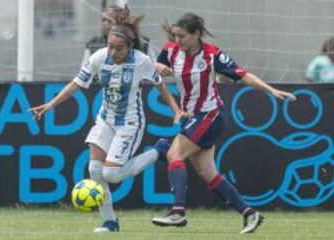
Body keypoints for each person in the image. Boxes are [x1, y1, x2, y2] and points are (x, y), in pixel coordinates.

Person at [29, 6, 181, 233]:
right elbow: (75, 84)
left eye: (119, 48)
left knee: (111, 174)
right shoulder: (99, 57)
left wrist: (176, 111)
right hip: (105, 120)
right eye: (110, 46)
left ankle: (157, 152)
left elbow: (160, 85)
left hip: (130, 123)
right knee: (95, 171)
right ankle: (110, 222)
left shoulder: (140, 61)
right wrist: (51, 105)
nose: (112, 52)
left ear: (129, 47)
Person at [151, 13, 296, 234]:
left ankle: (177, 212)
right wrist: (157, 66)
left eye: (182, 36)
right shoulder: (171, 50)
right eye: (175, 35)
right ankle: (249, 213)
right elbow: (155, 65)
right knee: (208, 174)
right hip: (193, 118)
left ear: (196, 34)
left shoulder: (212, 55)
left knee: (173, 155)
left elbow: (243, 76)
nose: (177, 40)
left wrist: (271, 90)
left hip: (210, 115)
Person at [81, 3, 155, 67]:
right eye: (103, 20)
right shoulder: (93, 45)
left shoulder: (143, 44)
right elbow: (83, 73)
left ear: (121, 22)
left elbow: (154, 70)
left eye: (109, 20)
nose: (105, 24)